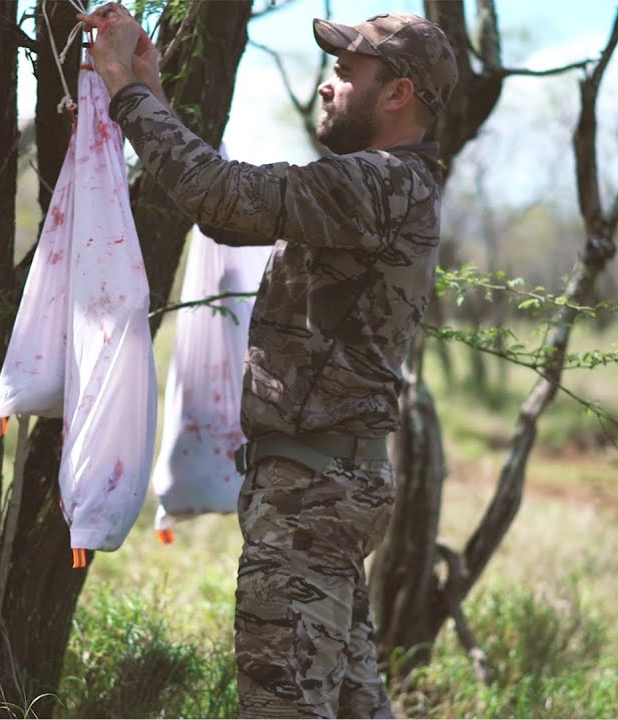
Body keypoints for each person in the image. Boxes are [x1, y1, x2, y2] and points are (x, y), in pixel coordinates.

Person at [78, 4, 457, 717]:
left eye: (347, 72)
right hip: (330, 483)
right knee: (349, 701)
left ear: (398, 93)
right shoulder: (384, 187)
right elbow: (222, 214)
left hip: (313, 496)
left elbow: (219, 192)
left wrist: (123, 87)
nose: (327, 84)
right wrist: (152, 89)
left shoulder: (376, 184)